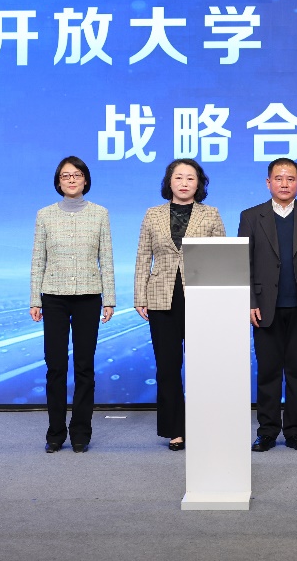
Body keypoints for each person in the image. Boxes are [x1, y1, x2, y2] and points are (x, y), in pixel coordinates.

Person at [238, 158, 297, 453]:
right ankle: (266, 432)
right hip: (265, 308)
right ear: (268, 183)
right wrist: (249, 301)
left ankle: (295, 431)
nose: (284, 184)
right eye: (278, 178)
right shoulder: (251, 216)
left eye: (290, 179)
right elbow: (244, 263)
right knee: (268, 372)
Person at [133, 158, 226, 451]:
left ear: (199, 184)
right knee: (168, 367)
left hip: (201, 299)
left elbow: (222, 259)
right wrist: (140, 296)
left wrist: (220, 300)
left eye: (190, 178)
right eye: (178, 177)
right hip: (161, 298)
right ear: (169, 182)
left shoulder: (211, 214)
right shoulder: (153, 214)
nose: (184, 183)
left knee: (202, 367)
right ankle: (175, 429)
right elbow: (143, 257)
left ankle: (204, 426)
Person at [29, 156, 115, 453]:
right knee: (55, 366)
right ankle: (55, 433)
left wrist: (109, 299)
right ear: (58, 181)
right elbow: (38, 259)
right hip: (53, 296)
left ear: (86, 180)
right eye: (66, 176)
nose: (71, 180)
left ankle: (80, 432)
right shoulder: (45, 215)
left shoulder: (100, 214)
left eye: (77, 175)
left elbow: (106, 259)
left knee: (84, 367)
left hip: (89, 296)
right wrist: (34, 299)